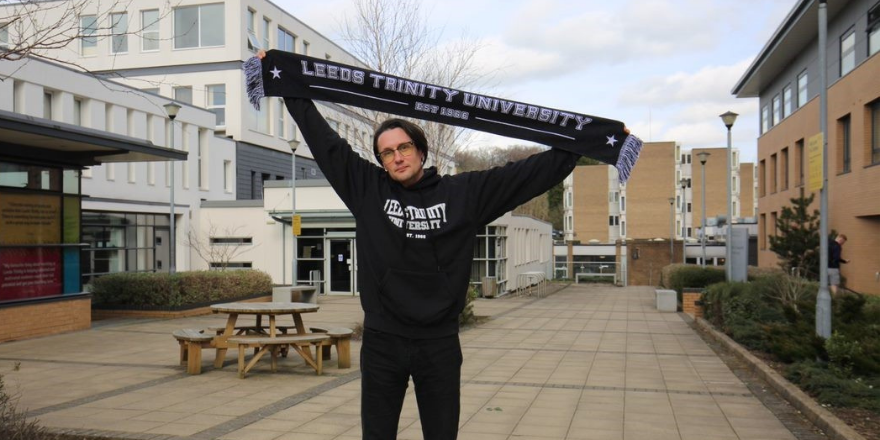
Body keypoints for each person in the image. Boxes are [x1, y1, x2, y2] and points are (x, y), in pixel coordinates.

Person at [282, 94, 580, 439]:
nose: (397, 157)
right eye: (388, 153)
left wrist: (579, 146)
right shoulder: (368, 189)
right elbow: (326, 143)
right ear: (381, 161)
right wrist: (291, 89)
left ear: (421, 151)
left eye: (404, 147)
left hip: (438, 342)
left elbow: (522, 176)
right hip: (383, 340)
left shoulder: (463, 194)